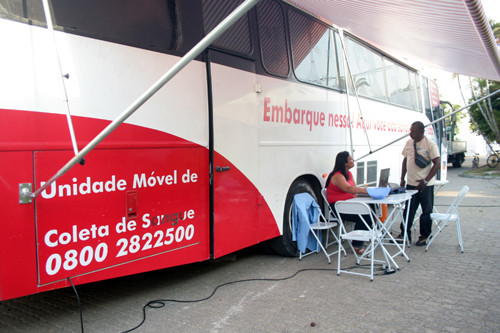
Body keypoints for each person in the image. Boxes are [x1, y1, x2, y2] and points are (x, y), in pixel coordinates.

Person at [399, 121, 440, 246]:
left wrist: (426, 180)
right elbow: (405, 160)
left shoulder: (430, 144)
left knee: (426, 211)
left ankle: (424, 236)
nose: (411, 133)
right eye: (411, 130)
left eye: (413, 131)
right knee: (409, 210)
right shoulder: (408, 143)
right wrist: (402, 178)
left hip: (425, 185)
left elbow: (437, 163)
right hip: (411, 183)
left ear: (421, 131)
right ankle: (405, 233)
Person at [325, 151, 370, 255]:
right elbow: (349, 188)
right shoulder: (337, 176)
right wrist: (368, 191)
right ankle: (357, 245)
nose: (353, 160)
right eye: (351, 159)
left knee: (370, 210)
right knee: (365, 216)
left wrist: (368, 192)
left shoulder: (348, 174)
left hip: (349, 205)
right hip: (339, 208)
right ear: (345, 162)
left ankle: (363, 238)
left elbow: (354, 189)